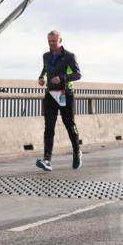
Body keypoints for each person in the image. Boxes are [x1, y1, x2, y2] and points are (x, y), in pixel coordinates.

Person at [36, 30, 82, 171]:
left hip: (65, 94)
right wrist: (41, 78)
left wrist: (62, 78)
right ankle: (47, 160)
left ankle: (76, 152)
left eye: (54, 41)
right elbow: (44, 70)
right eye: (49, 41)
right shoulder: (46, 56)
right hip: (50, 94)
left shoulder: (69, 56)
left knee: (69, 124)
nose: (51, 44)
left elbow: (78, 74)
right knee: (49, 127)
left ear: (60, 40)